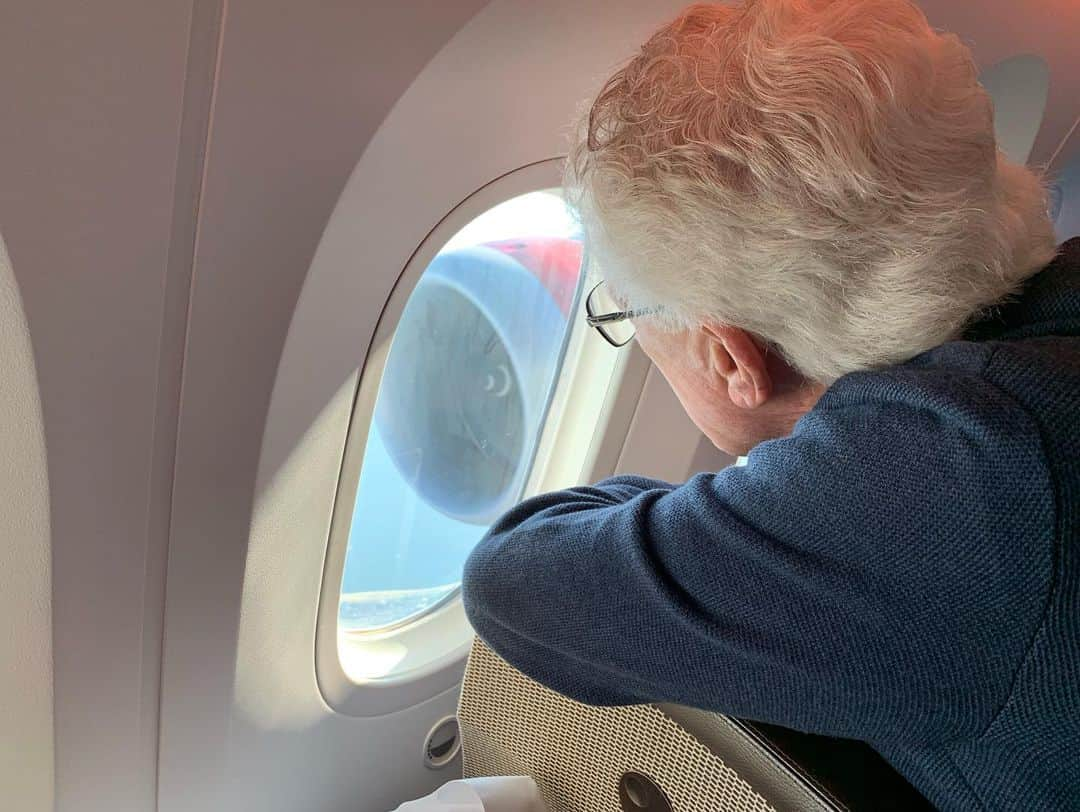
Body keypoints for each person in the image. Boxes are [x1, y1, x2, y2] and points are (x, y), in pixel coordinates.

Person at [460, 1, 1079, 809]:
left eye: (624, 314)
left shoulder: (956, 483)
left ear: (731, 358)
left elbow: (514, 586)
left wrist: (728, 523)